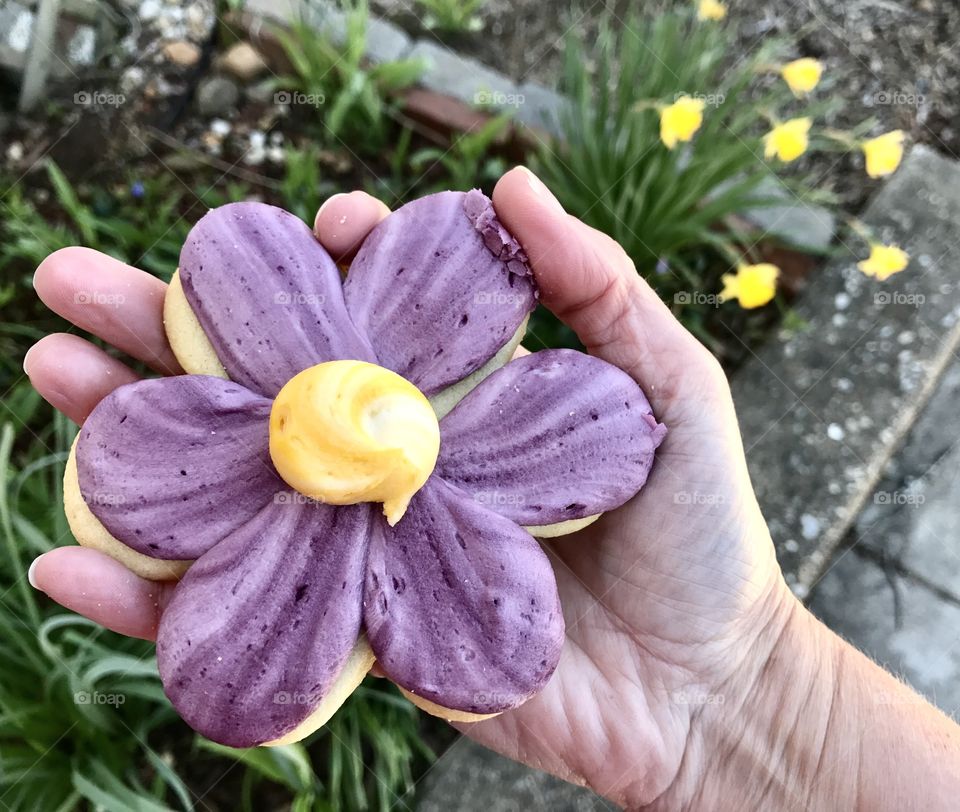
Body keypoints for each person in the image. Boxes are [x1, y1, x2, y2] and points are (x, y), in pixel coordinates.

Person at [23, 167, 960, 809]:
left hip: (467, 476)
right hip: (227, 464)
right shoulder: (233, 307)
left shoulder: (565, 441)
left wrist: (741, 690)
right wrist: (738, 706)